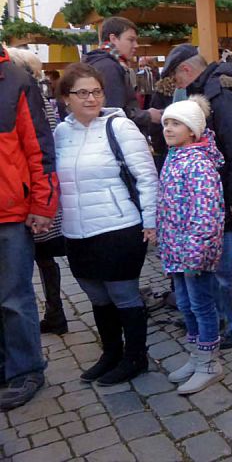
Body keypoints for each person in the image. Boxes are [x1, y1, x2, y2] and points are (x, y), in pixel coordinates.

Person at [54, 63, 158, 385]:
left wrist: (151, 221)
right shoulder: (60, 134)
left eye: (96, 91)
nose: (90, 98)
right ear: (66, 99)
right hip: (76, 229)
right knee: (97, 295)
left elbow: (146, 176)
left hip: (119, 226)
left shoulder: (120, 127)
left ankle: (136, 357)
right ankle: (112, 352)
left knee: (124, 295)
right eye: (81, 92)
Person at [162, 45, 232, 350]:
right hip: (221, 196)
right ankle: (225, 319)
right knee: (222, 269)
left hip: (228, 198)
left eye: (175, 77)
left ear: (186, 70)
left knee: (228, 271)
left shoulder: (219, 91)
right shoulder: (211, 87)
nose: (176, 85)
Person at [0, 46, 59, 411]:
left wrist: (42, 204)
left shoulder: (16, 81)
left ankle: (26, 370)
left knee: (13, 298)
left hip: (10, 212)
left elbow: (39, 147)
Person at [157, 96, 226, 394]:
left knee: (201, 304)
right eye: (166, 123)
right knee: (185, 304)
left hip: (194, 254)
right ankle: (197, 355)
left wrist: (195, 253)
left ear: (194, 130)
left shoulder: (198, 164)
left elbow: (206, 213)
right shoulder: (175, 156)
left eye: (176, 123)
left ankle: (210, 362)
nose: (168, 129)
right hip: (177, 249)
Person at [7, 48, 68, 336]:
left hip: (36, 194)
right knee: (43, 259)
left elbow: (44, 148)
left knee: (42, 257)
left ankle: (55, 311)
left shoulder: (30, 96)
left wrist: (43, 200)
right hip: (33, 192)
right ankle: (55, 310)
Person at [82, 16, 160, 131]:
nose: (136, 45)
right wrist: (147, 115)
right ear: (113, 39)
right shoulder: (109, 67)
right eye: (131, 40)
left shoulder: (101, 63)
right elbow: (114, 114)